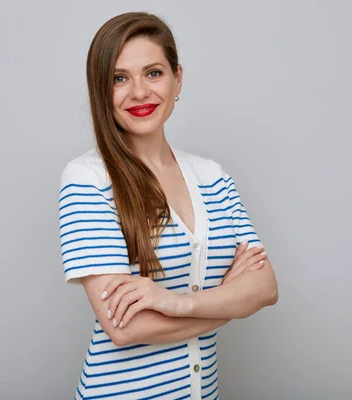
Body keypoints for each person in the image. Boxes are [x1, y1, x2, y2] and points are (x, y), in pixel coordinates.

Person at [58, 11, 278, 400]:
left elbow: (263, 286)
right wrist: (227, 304)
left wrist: (177, 304)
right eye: (119, 78)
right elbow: (123, 327)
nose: (140, 92)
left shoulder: (211, 175)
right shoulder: (88, 179)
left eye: (153, 73)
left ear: (178, 78)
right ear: (100, 90)